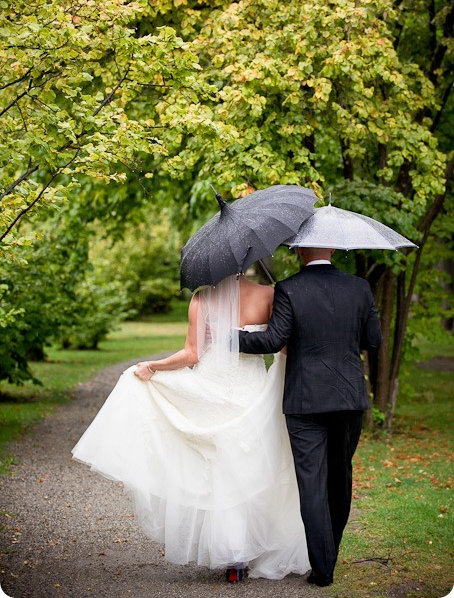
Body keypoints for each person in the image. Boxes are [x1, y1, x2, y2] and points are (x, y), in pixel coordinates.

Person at [72, 275, 310, 582]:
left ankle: (233, 556)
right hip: (252, 391)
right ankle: (245, 550)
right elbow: (283, 348)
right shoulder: (269, 295)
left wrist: (152, 366)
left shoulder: (202, 299)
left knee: (219, 469)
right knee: (250, 468)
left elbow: (191, 355)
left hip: (210, 388)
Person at [238, 247, 382, 587]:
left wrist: (230, 338)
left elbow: (274, 340)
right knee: (340, 478)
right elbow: (373, 340)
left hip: (305, 400)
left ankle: (323, 567)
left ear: (301, 250)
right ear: (332, 249)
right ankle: (329, 553)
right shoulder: (360, 287)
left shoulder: (289, 288)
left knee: (311, 483)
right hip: (348, 397)